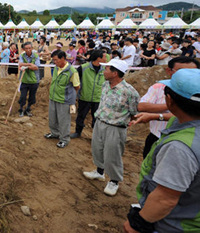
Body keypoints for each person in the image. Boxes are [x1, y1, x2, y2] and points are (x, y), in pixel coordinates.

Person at [123, 68, 200, 233]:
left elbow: (166, 199)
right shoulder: (189, 126)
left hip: (174, 224)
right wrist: (154, 116)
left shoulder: (179, 148)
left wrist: (139, 223)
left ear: (169, 100)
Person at [83, 59, 139, 196]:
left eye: (106, 69)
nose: (103, 71)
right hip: (100, 122)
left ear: (115, 73)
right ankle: (99, 172)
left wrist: (121, 122)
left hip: (115, 127)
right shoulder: (105, 85)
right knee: (98, 149)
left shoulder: (130, 92)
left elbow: (134, 112)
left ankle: (114, 181)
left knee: (112, 155)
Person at [136, 56, 200, 159]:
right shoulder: (159, 87)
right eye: (181, 71)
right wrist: (173, 103)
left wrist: (156, 115)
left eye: (192, 71)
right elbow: (141, 106)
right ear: (169, 71)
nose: (187, 75)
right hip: (156, 137)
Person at [44, 50, 80, 148]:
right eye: (53, 60)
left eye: (56, 60)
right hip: (53, 97)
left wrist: (71, 99)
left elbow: (77, 86)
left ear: (63, 58)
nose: (54, 62)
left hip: (64, 100)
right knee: (52, 118)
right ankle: (55, 133)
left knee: (63, 121)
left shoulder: (72, 71)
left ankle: (64, 139)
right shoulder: (56, 68)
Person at [70, 50, 107, 139]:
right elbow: (75, 81)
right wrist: (75, 95)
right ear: (99, 58)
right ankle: (78, 132)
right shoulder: (83, 68)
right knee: (81, 116)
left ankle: (96, 136)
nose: (106, 58)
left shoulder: (105, 69)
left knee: (97, 119)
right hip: (84, 97)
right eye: (105, 57)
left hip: (98, 99)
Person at [17, 42, 40, 117]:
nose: (28, 50)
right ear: (24, 49)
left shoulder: (36, 56)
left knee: (32, 97)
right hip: (24, 79)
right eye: (26, 48)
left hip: (34, 80)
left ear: (32, 48)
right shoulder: (22, 55)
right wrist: (30, 64)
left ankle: (28, 109)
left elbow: (36, 67)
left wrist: (25, 66)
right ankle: (21, 109)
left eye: (29, 48)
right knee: (23, 96)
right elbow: (20, 64)